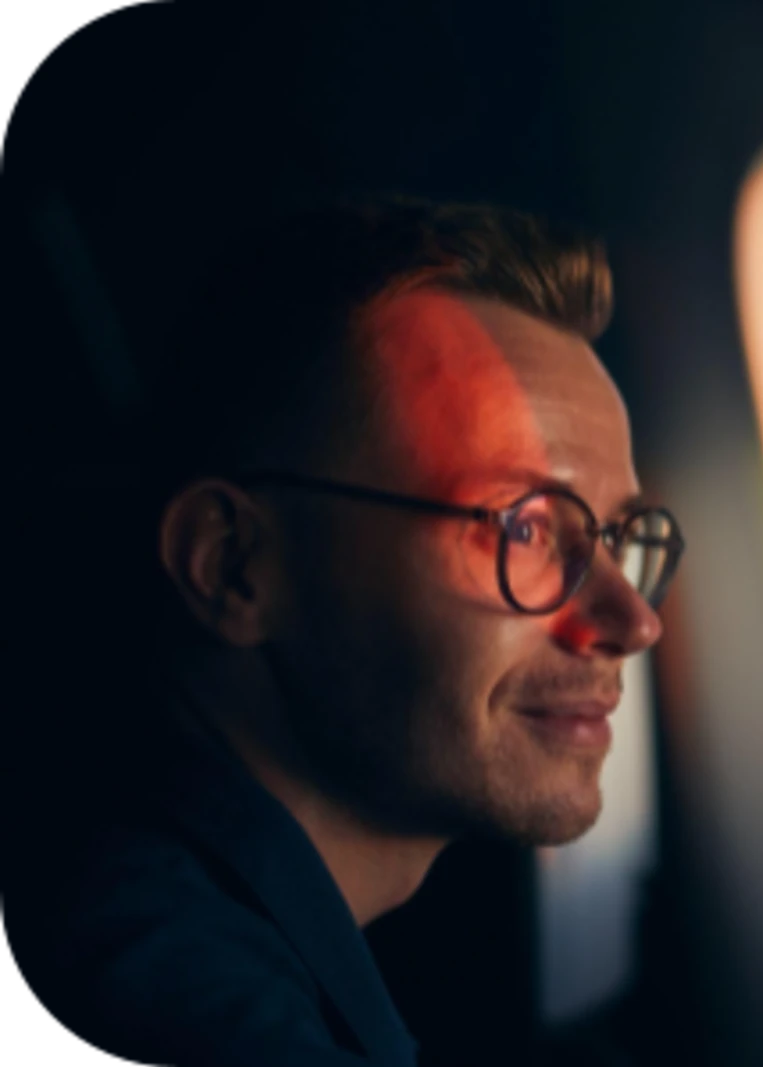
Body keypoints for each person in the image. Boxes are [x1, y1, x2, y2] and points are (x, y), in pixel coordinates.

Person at [1, 196, 683, 1066]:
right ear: (233, 562)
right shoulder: (178, 1010)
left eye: (623, 538)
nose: (634, 620)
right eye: (525, 528)